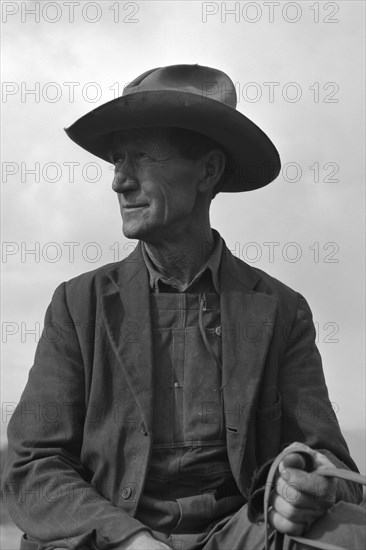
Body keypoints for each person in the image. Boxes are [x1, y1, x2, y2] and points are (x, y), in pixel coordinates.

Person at [3, 65, 364, 550]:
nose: (119, 182)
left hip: (241, 537)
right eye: (116, 161)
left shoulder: (281, 311)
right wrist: (132, 540)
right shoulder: (78, 304)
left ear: (208, 171)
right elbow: (32, 467)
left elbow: (332, 467)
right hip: (113, 540)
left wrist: (307, 483)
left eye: (142, 157)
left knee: (349, 533)